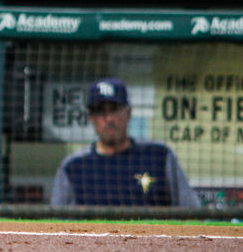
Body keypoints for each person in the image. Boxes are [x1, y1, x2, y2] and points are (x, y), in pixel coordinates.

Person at [51, 78, 200, 207]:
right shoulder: (74, 166)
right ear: (91, 118)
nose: (109, 119)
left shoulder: (158, 156)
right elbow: (56, 224)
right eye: (100, 111)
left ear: (128, 113)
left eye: (114, 109)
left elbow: (192, 210)